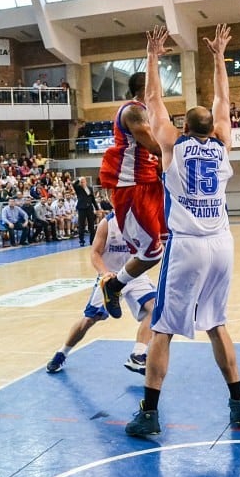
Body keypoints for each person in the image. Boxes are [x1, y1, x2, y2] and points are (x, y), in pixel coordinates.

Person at [126, 24, 240, 437]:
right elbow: (224, 101)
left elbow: (152, 99)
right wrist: (218, 56)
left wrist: (153, 55)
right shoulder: (221, 145)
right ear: (211, 127)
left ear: (183, 125)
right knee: (216, 323)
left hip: (188, 246)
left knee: (161, 329)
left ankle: (148, 413)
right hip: (222, 244)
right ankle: (239, 405)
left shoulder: (171, 146)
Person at [97, 57, 166, 320]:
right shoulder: (133, 111)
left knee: (173, 241)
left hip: (150, 184)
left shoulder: (146, 111)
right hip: (132, 187)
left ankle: (172, 293)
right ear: (146, 89)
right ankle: (114, 285)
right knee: (150, 254)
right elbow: (157, 148)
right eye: (156, 86)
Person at [46, 212, 156, 375]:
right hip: (110, 276)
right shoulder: (107, 223)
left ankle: (138, 354)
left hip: (135, 276)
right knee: (89, 320)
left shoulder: (144, 220)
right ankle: (63, 352)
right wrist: (104, 273)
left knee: (156, 310)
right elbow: (95, 253)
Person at [72, 176, 97, 246]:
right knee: (81, 225)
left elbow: (93, 199)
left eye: (84, 181)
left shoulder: (90, 188)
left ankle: (92, 240)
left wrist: (97, 208)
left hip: (89, 208)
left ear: (86, 182)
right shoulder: (78, 188)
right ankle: (81, 240)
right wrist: (78, 180)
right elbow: (73, 185)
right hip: (81, 209)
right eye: (81, 182)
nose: (82, 183)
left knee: (91, 225)